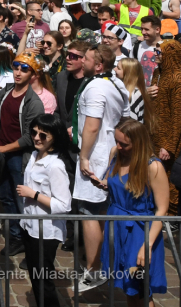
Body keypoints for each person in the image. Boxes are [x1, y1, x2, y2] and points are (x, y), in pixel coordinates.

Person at [73, 44, 129, 292]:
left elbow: (93, 125)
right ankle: (108, 266)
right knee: (102, 211)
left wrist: (84, 157)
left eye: (85, 59)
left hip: (96, 157)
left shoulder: (96, 86)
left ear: (98, 65)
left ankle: (95, 270)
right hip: (110, 155)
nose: (81, 61)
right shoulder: (116, 84)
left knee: (89, 212)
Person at [102, 118, 168, 305]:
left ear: (138, 143)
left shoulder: (152, 166)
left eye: (124, 144)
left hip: (140, 231)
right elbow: (114, 182)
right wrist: (102, 183)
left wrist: (147, 245)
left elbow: (162, 210)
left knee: (141, 290)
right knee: (129, 289)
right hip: (117, 224)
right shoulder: (116, 154)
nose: (118, 146)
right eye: (116, 141)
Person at [0, 52, 45, 256]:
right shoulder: (7, 89)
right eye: (16, 67)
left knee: (22, 200)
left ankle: (29, 240)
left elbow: (30, 137)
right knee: (5, 197)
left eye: (24, 69)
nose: (18, 72)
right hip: (2, 154)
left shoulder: (34, 102)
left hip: (19, 157)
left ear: (33, 74)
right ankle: (15, 237)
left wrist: (3, 148)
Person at [15, 113, 74, 307]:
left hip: (46, 232)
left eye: (43, 135)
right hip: (29, 226)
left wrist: (33, 194)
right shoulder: (34, 155)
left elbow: (64, 205)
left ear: (54, 137)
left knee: (43, 280)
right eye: (34, 133)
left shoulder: (55, 166)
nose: (37, 138)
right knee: (35, 275)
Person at [152, 39, 181, 215]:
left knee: (170, 181)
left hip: (169, 141)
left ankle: (171, 218)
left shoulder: (177, 79)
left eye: (159, 52)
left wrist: (169, 145)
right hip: (154, 135)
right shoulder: (157, 73)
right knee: (156, 178)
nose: (155, 55)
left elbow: (178, 117)